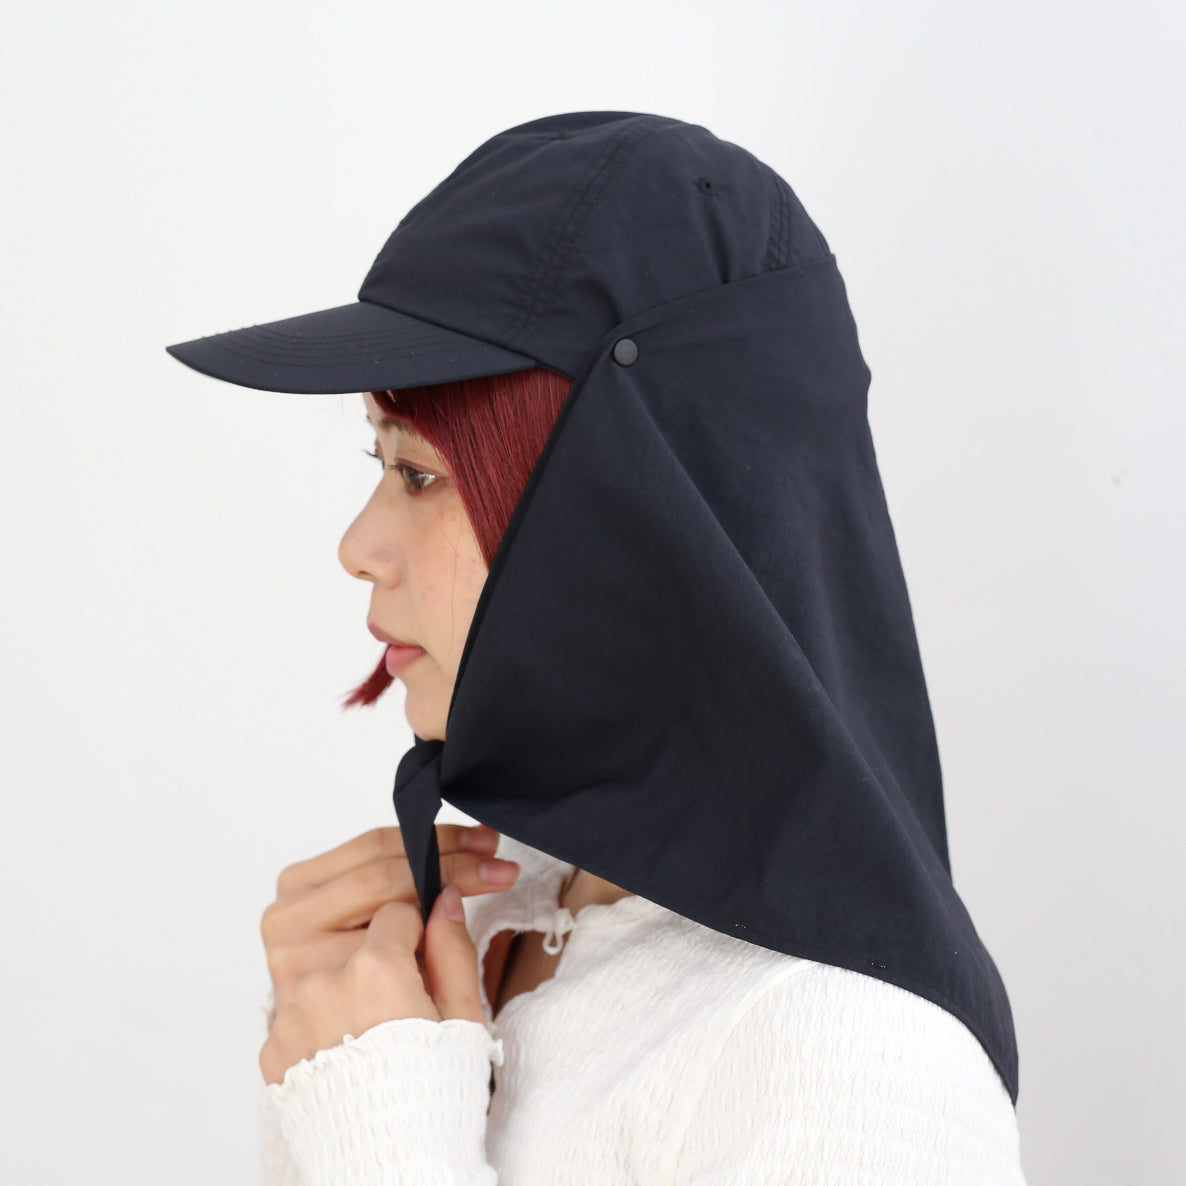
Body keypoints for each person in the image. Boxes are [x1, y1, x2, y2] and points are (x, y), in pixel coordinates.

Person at [166, 110, 1029, 1184]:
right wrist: (330, 1049)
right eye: (377, 463)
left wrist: (371, 1113)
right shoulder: (491, 910)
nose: (357, 547)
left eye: (420, 474)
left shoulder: (856, 1064)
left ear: (628, 514)